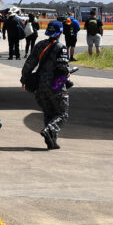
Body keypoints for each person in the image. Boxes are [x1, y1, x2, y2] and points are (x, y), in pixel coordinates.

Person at [25, 20, 73, 150]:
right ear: (60, 32)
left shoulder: (39, 45)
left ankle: (51, 142)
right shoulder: (61, 48)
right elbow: (62, 68)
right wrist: (67, 74)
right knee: (62, 113)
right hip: (55, 85)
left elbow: (29, 65)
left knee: (49, 113)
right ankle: (49, 130)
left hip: (40, 85)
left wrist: (25, 80)